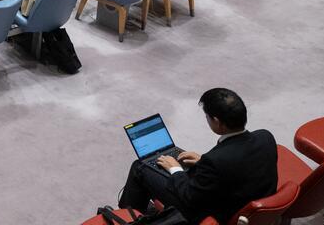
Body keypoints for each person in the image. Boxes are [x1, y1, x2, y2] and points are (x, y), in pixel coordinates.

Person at [118, 88, 277, 225]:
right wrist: (202, 161)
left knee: (140, 167)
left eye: (207, 116)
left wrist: (175, 169)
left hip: (213, 213)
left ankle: (126, 217)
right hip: (246, 202)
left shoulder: (216, 160)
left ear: (217, 121)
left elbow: (189, 197)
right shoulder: (266, 137)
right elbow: (239, 164)